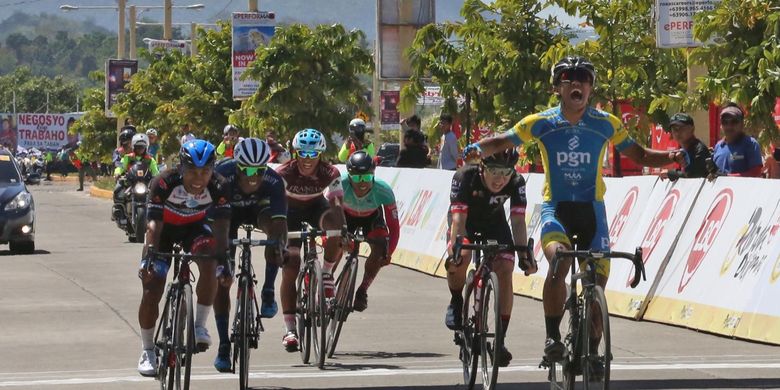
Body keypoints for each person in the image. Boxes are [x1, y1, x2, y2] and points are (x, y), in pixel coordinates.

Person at [463, 56, 685, 365]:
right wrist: (478, 149)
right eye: (569, 78)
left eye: (584, 78)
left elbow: (639, 153)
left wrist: (673, 156)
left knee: (598, 282)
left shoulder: (606, 123)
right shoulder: (542, 122)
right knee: (561, 262)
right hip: (557, 210)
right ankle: (553, 337)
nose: (577, 83)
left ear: (591, 87)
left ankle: (592, 352)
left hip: (593, 211)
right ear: (558, 87)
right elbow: (505, 139)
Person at [136, 139, 231, 377]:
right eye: (192, 172)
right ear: (181, 167)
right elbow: (153, 225)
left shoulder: (220, 186)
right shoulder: (164, 182)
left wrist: (224, 260)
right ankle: (148, 350)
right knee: (151, 289)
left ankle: (199, 326)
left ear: (213, 170)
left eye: (205, 172)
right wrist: (149, 258)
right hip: (163, 231)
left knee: (210, 261)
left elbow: (221, 226)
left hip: (194, 229)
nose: (198, 179)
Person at [445, 149, 535, 367]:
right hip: (465, 222)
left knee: (505, 268)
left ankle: (500, 340)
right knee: (462, 255)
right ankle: (457, 301)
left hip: (495, 225)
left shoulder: (516, 181)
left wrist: (524, 254)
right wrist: (455, 250)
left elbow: (518, 221)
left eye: (505, 172)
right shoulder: (464, 177)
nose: (500, 178)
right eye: (494, 171)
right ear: (482, 166)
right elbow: (458, 220)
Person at [212, 138, 288, 372]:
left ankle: (267, 291)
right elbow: (215, 222)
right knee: (222, 279)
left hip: (259, 210)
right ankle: (224, 345)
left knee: (275, 237)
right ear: (237, 165)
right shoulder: (222, 174)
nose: (253, 175)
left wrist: (280, 246)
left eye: (259, 169)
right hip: (229, 215)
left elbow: (280, 221)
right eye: (247, 169)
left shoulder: (274, 181)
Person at [275, 128, 346, 352]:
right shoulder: (283, 173)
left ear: (320, 155)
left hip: (317, 208)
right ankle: (290, 329)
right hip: (290, 212)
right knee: (291, 265)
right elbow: (275, 207)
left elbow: (337, 205)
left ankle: (325, 272)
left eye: (312, 155)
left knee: (335, 225)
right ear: (295, 154)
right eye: (302, 154)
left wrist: (342, 229)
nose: (307, 160)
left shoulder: (330, 172)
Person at [337, 151, 400, 311]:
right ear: (349, 176)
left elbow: (393, 227)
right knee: (335, 243)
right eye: (357, 178)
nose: (362, 183)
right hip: (344, 217)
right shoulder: (339, 184)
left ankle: (362, 290)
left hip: (371, 219)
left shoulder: (383, 190)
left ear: (373, 175)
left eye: (366, 177)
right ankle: (327, 279)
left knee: (380, 248)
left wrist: (388, 253)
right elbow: (327, 213)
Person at [113, 134, 159, 225]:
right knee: (118, 190)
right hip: (130, 182)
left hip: (145, 183)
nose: (140, 149)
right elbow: (121, 167)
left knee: (158, 196)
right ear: (134, 147)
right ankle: (119, 213)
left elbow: (155, 171)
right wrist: (117, 173)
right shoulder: (128, 157)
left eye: (142, 147)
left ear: (146, 147)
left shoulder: (150, 159)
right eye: (138, 147)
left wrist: (158, 177)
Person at [712, 103, 763, 177]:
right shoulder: (718, 146)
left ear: (742, 124)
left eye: (734, 122)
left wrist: (727, 177)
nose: (729, 126)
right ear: (721, 125)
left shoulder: (751, 144)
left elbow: (756, 173)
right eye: (725, 122)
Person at [659, 113, 713, 181]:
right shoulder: (681, 151)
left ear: (692, 129)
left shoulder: (699, 150)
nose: (678, 132)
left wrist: (670, 174)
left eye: (682, 128)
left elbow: (695, 176)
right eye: (674, 129)